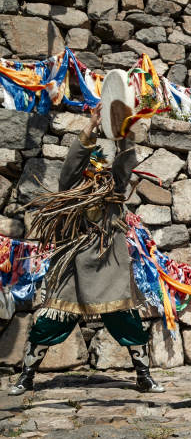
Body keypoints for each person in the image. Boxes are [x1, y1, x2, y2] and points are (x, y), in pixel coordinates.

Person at [8, 103, 164, 395]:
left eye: (99, 169)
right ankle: (26, 377)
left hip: (109, 267)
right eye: (91, 168)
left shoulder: (114, 190)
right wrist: (91, 125)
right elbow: (71, 164)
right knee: (49, 323)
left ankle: (144, 376)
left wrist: (122, 130)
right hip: (72, 268)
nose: (96, 174)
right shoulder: (71, 189)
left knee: (128, 323)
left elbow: (125, 162)